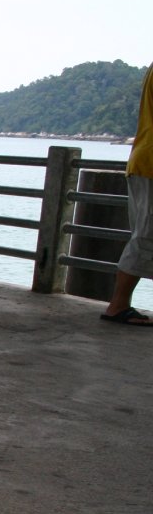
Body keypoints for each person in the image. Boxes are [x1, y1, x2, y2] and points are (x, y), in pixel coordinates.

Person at [100, 62, 153, 326]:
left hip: (145, 158)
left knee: (146, 236)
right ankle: (118, 306)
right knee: (146, 236)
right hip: (151, 164)